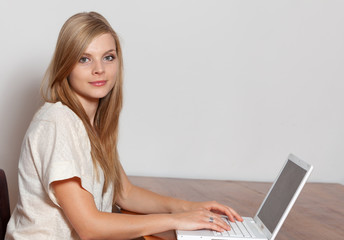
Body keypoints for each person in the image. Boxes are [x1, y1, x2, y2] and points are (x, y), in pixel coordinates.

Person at [5, 12, 242, 240]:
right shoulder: (57, 121)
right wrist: (175, 221)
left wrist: (189, 208)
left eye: (108, 57)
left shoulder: (90, 123)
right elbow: (89, 227)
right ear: (66, 65)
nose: (99, 69)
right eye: (84, 59)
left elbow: (124, 193)